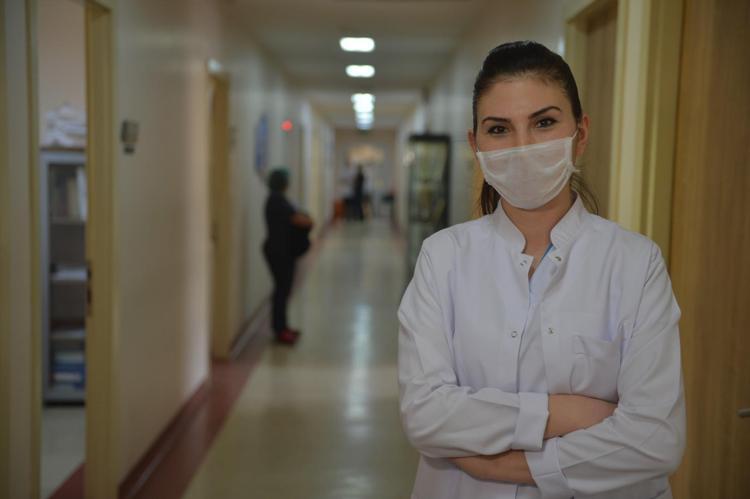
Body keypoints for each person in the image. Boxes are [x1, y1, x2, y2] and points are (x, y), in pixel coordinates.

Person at [398, 41, 685, 499]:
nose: (523, 147)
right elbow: (425, 415)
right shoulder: (443, 258)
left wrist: (510, 466)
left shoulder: (635, 262)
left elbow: (655, 442)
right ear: (476, 146)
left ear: (580, 134)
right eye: (499, 129)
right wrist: (564, 413)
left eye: (544, 122)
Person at [263, 168, 313, 345]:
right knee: (281, 291)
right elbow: (298, 219)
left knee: (283, 290)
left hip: (281, 251)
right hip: (279, 253)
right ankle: (280, 330)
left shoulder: (277, 199)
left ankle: (283, 327)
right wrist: (308, 220)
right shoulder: (277, 200)